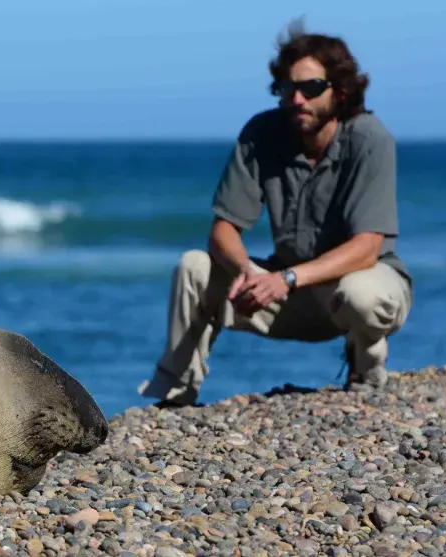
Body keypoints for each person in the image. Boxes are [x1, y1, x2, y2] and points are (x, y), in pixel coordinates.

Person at [138, 21, 413, 408]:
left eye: (312, 87)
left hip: (352, 289)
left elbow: (367, 248)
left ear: (342, 91)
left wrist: (286, 278)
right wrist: (248, 272)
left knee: (361, 295)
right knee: (193, 267)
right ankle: (176, 394)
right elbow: (222, 231)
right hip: (286, 291)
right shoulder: (262, 132)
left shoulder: (369, 139)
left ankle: (365, 370)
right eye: (288, 88)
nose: (298, 98)